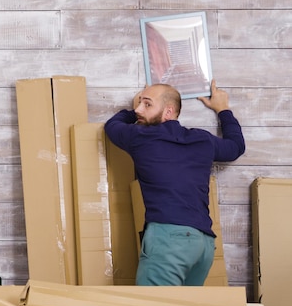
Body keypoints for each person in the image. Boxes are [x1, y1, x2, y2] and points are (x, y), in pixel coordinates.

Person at [104, 80, 245, 286]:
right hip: (203, 245)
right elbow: (235, 147)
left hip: (169, 240)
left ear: (169, 112)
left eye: (147, 104)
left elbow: (112, 126)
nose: (138, 109)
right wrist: (223, 108)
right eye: (139, 104)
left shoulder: (141, 137)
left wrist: (132, 114)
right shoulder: (203, 140)